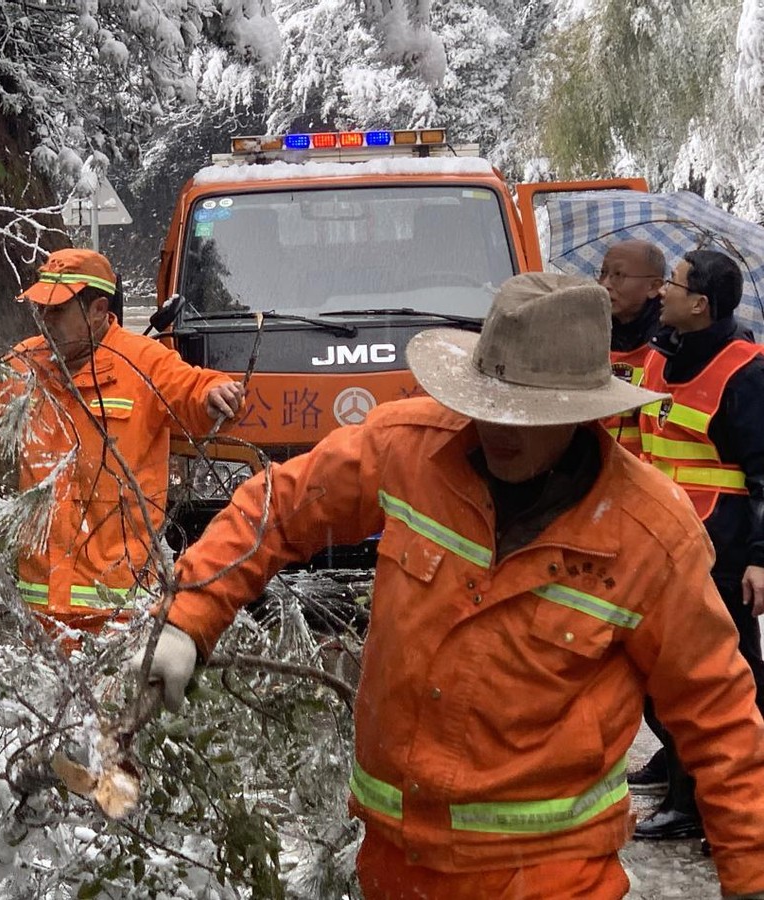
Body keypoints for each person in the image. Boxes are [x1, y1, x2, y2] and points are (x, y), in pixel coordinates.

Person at [132, 273, 764, 899]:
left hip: (550, 880)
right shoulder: (411, 449)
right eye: (487, 405)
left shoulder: (648, 535)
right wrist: (188, 618)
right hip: (395, 869)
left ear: (579, 416)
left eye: (526, 415)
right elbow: (278, 506)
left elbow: (721, 721)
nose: (498, 430)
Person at [0, 248, 244, 633]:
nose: (45, 321)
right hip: (40, 612)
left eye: (57, 311)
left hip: (118, 617)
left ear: (98, 310)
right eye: (42, 310)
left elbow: (196, 388)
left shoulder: (144, 362)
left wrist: (218, 394)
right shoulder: (23, 366)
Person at [629, 248, 764, 840]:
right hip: (666, 542)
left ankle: (710, 804)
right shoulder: (663, 354)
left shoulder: (747, 373)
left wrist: (760, 558)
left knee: (723, 678)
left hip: (725, 550)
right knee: (658, 668)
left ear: (700, 303)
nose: (662, 292)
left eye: (674, 285)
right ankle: (685, 774)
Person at [596, 239, 666, 455]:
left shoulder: (669, 342)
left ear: (654, 287)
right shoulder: (589, 331)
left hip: (645, 473)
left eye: (618, 275)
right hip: (591, 469)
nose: (605, 284)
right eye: (603, 273)